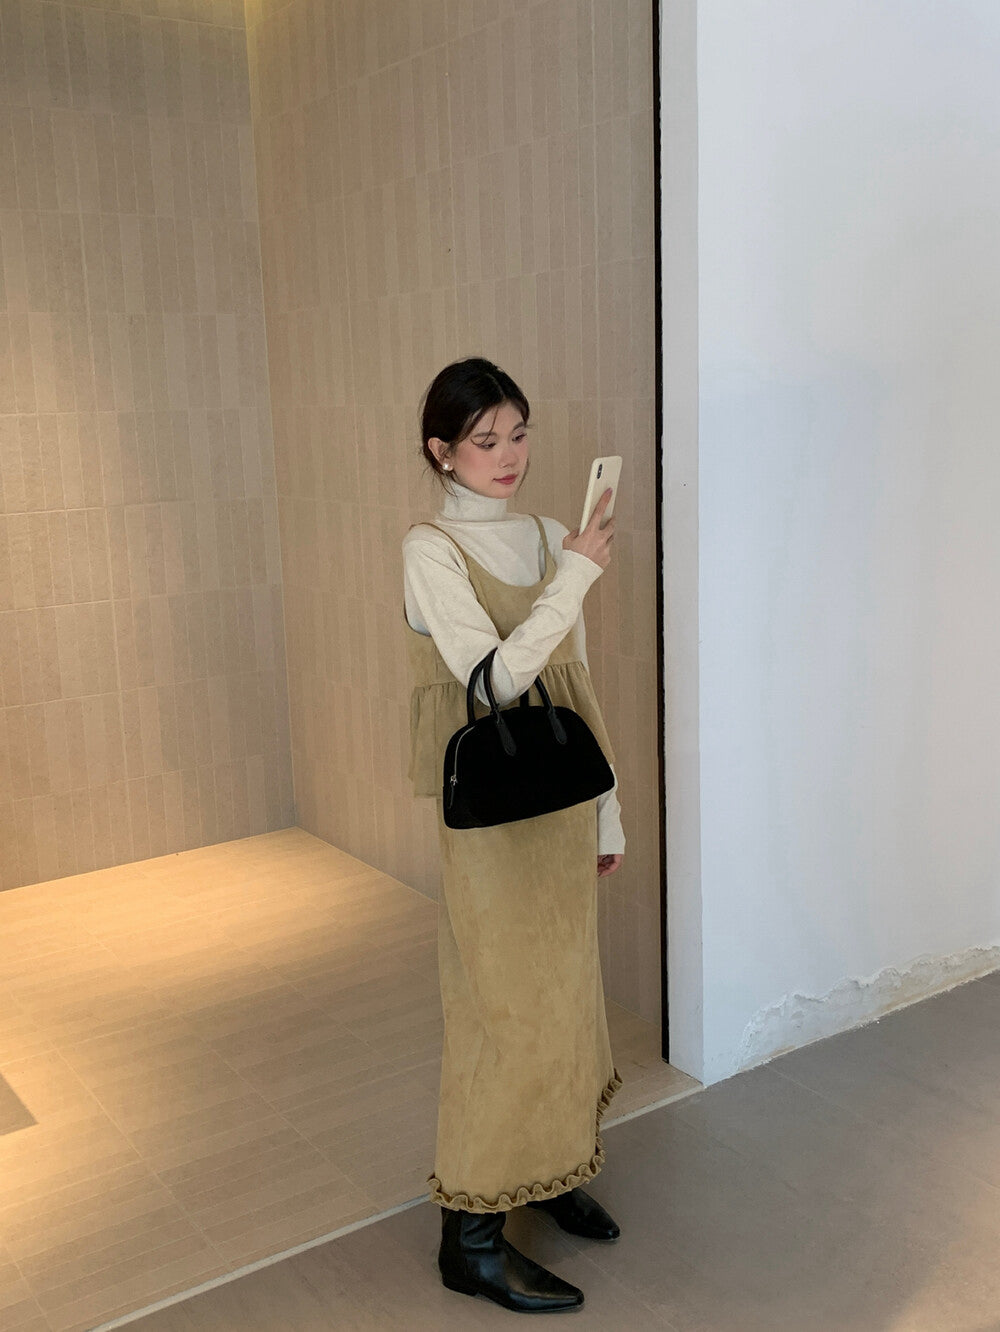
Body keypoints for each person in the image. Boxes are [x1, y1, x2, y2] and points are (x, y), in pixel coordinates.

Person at [402, 357, 626, 1314]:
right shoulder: (430, 550)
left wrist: (608, 810)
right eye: (484, 440)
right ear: (440, 451)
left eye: (519, 433)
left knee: (567, 995)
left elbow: (575, 685)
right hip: (493, 811)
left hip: (561, 798)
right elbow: (495, 681)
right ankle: (471, 1239)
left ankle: (550, 1169)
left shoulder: (543, 534)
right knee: (500, 1011)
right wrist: (576, 574)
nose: (509, 456)